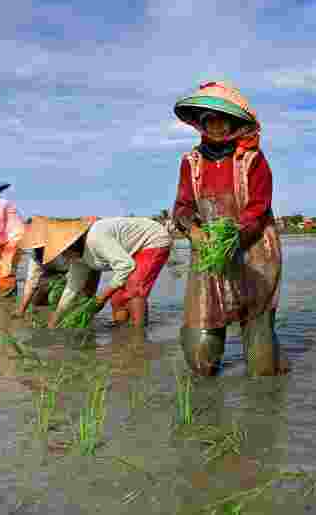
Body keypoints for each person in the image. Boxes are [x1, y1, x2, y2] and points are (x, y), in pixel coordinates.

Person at [171, 81, 286, 376]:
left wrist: (234, 233)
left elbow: (259, 206)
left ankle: (267, 383)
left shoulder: (252, 159)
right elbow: (182, 206)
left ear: (234, 124)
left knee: (259, 353)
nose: (217, 127)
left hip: (253, 249)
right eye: (210, 121)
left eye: (223, 121)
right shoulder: (191, 162)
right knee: (199, 353)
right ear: (201, 124)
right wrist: (195, 232)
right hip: (209, 249)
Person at [46, 216, 172, 328]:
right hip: (132, 250)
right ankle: (120, 334)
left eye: (63, 252)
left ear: (71, 245)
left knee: (134, 290)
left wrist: (101, 298)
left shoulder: (95, 238)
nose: (63, 257)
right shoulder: (77, 259)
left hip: (152, 240)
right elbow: (72, 288)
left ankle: (138, 338)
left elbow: (126, 266)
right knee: (117, 299)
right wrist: (57, 315)